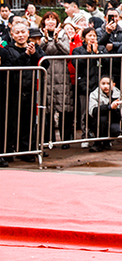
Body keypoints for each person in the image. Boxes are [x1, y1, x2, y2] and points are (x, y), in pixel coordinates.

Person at [5, 21, 46, 161]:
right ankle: (8, 150)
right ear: (12, 34)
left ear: (28, 34)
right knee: (10, 122)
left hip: (31, 90)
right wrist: (26, 55)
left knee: (28, 123)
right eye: (17, 32)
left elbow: (45, 63)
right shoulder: (8, 49)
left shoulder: (36, 47)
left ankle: (26, 150)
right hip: (13, 90)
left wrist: (34, 54)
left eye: (23, 32)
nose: (21, 35)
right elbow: (12, 66)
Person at [39, 12, 75, 146]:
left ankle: (65, 139)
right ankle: (49, 139)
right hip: (45, 72)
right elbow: (39, 50)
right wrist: (45, 39)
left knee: (64, 106)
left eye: (53, 19)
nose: (50, 22)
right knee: (47, 107)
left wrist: (56, 40)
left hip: (61, 72)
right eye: (47, 19)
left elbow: (66, 51)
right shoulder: (40, 34)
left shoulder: (63, 34)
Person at [87, 76, 122, 152]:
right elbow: (93, 111)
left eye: (108, 83)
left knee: (116, 130)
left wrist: (115, 108)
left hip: (112, 120)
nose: (106, 86)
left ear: (113, 84)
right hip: (97, 121)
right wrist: (109, 107)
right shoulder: (94, 94)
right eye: (103, 84)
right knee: (102, 119)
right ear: (99, 84)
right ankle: (98, 143)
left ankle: (107, 142)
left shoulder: (117, 93)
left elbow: (120, 115)